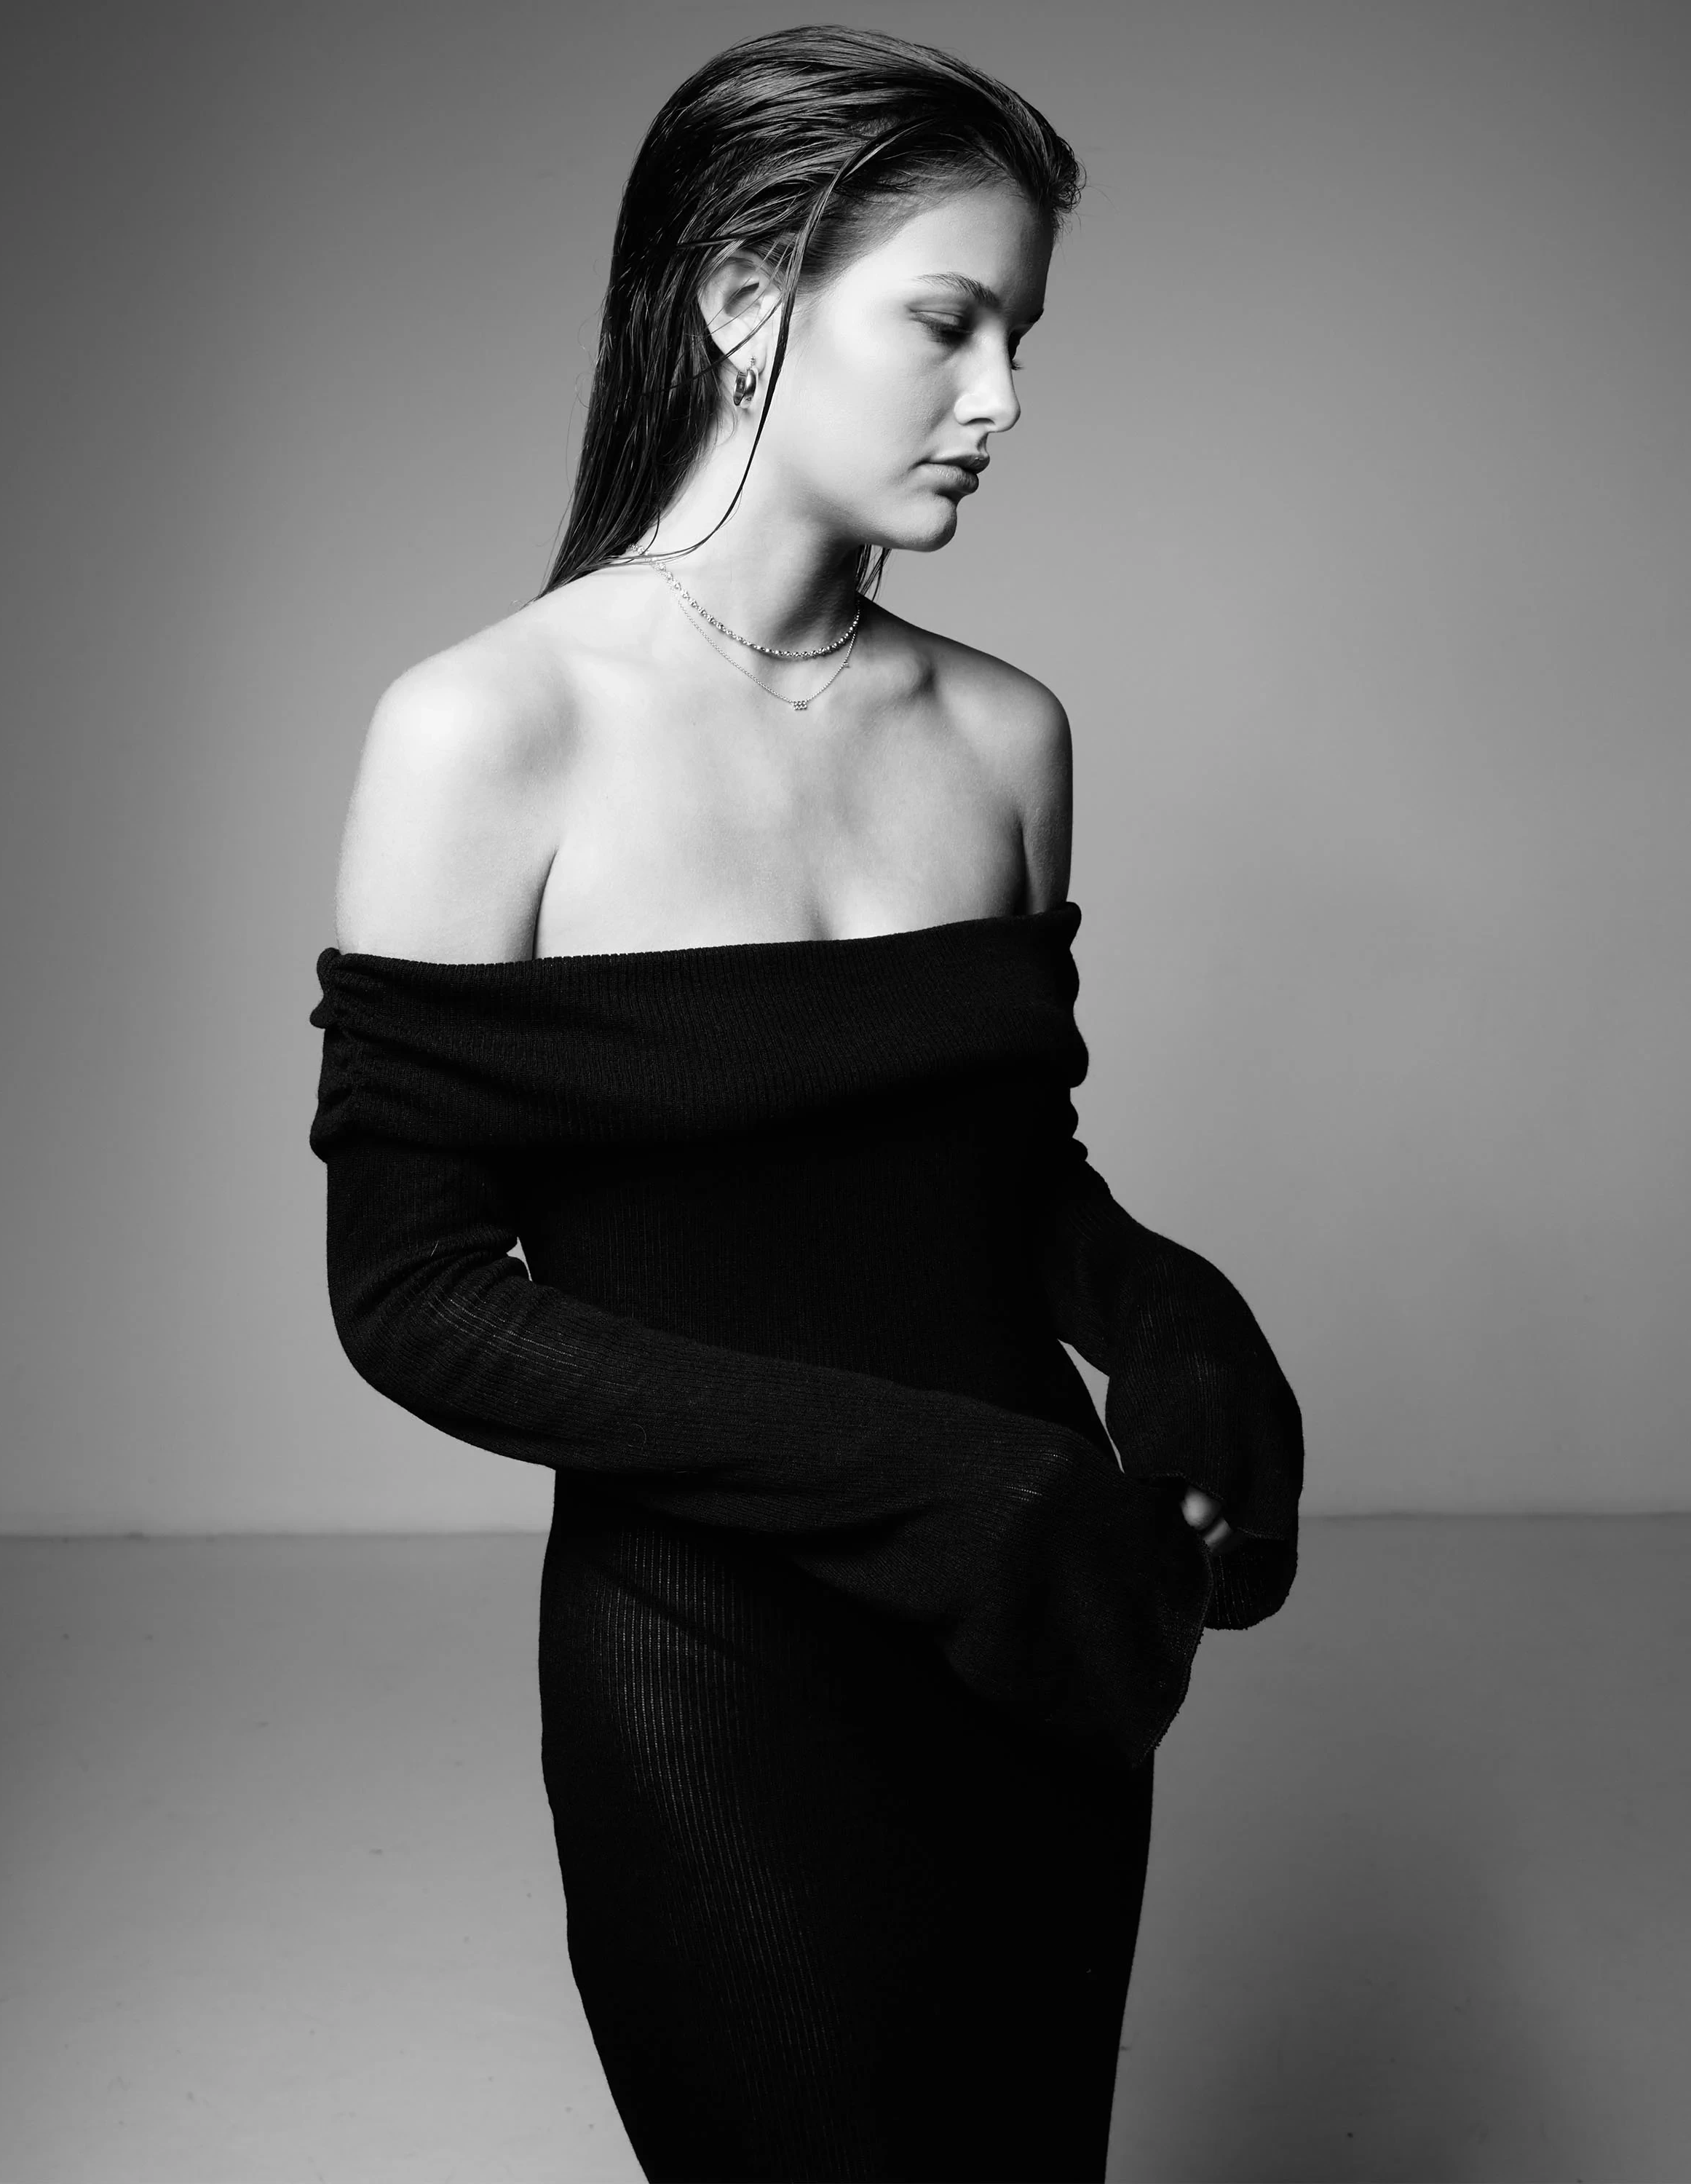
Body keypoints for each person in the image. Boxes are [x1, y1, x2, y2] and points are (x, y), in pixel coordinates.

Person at [308, 25, 1303, 2183]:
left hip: (1035, 1639)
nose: (1002, 399)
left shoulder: (1007, 736)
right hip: (714, 1660)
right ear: (747, 296)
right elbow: (412, 1295)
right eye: (947, 322)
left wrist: (1169, 1314)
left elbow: (1001, 1180)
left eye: (1022, 336)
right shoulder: (484, 731)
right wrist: (933, 1474)